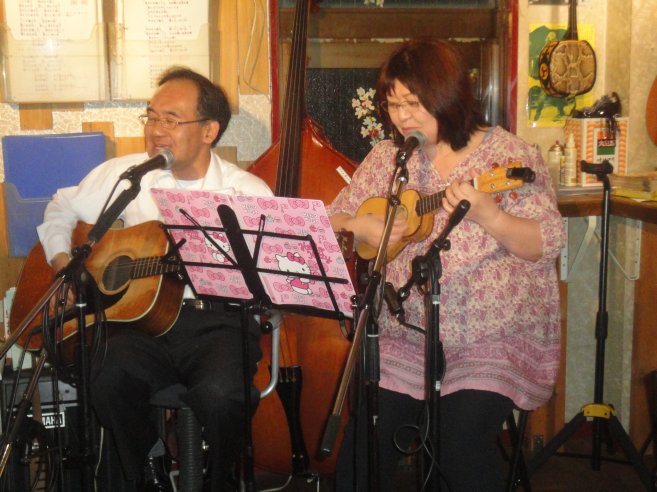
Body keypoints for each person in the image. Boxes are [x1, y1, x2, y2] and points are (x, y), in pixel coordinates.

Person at [327, 39, 565, 491]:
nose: (402, 117)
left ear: (448, 96)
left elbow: (546, 242)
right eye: (393, 104)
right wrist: (360, 226)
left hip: (491, 336)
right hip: (404, 333)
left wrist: (491, 216)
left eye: (413, 104)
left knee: (458, 444)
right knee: (364, 446)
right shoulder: (389, 159)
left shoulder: (509, 157)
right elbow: (330, 218)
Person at [37, 67, 273, 491]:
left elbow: (273, 279)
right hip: (140, 324)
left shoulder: (247, 193)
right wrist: (62, 264)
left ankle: (221, 478)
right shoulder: (129, 176)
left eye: (171, 119)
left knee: (223, 394)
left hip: (218, 323)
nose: (156, 130)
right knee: (104, 372)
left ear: (209, 131)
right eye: (151, 117)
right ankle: (149, 467)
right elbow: (61, 206)